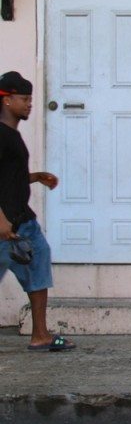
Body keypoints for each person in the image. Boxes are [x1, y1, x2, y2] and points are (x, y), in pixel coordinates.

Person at [0, 71, 75, 352]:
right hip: (6, 227)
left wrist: (36, 176)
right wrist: (1, 219)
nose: (30, 104)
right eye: (24, 99)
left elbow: (8, 175)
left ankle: (40, 335)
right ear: (7, 100)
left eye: (30, 98)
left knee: (38, 268)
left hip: (23, 222)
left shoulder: (11, 135)